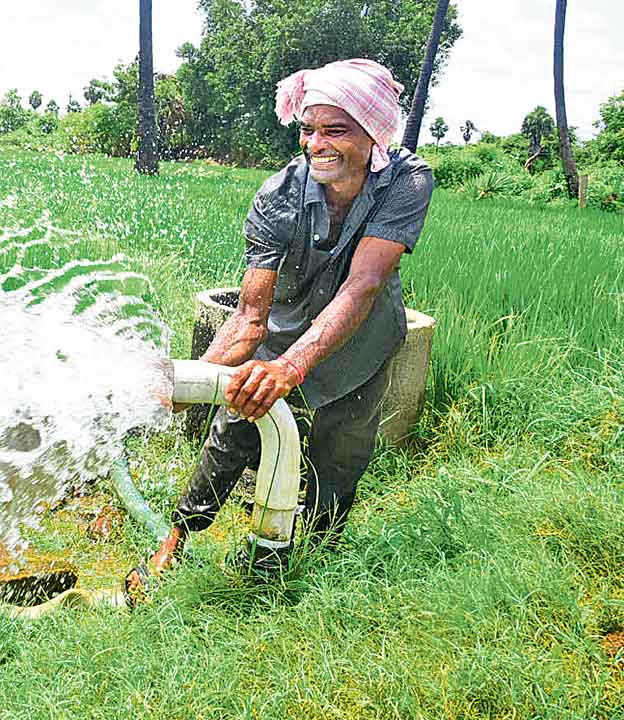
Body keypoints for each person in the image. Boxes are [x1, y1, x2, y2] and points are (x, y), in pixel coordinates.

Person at [127, 58, 435, 596]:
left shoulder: (405, 181)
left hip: (362, 343)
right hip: (282, 335)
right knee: (233, 432)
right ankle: (172, 544)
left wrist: (289, 370)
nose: (318, 143)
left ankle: (307, 561)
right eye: (309, 130)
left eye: (335, 130)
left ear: (372, 134)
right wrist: (188, 381)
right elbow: (250, 316)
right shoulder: (278, 195)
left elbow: (362, 285)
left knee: (341, 454)